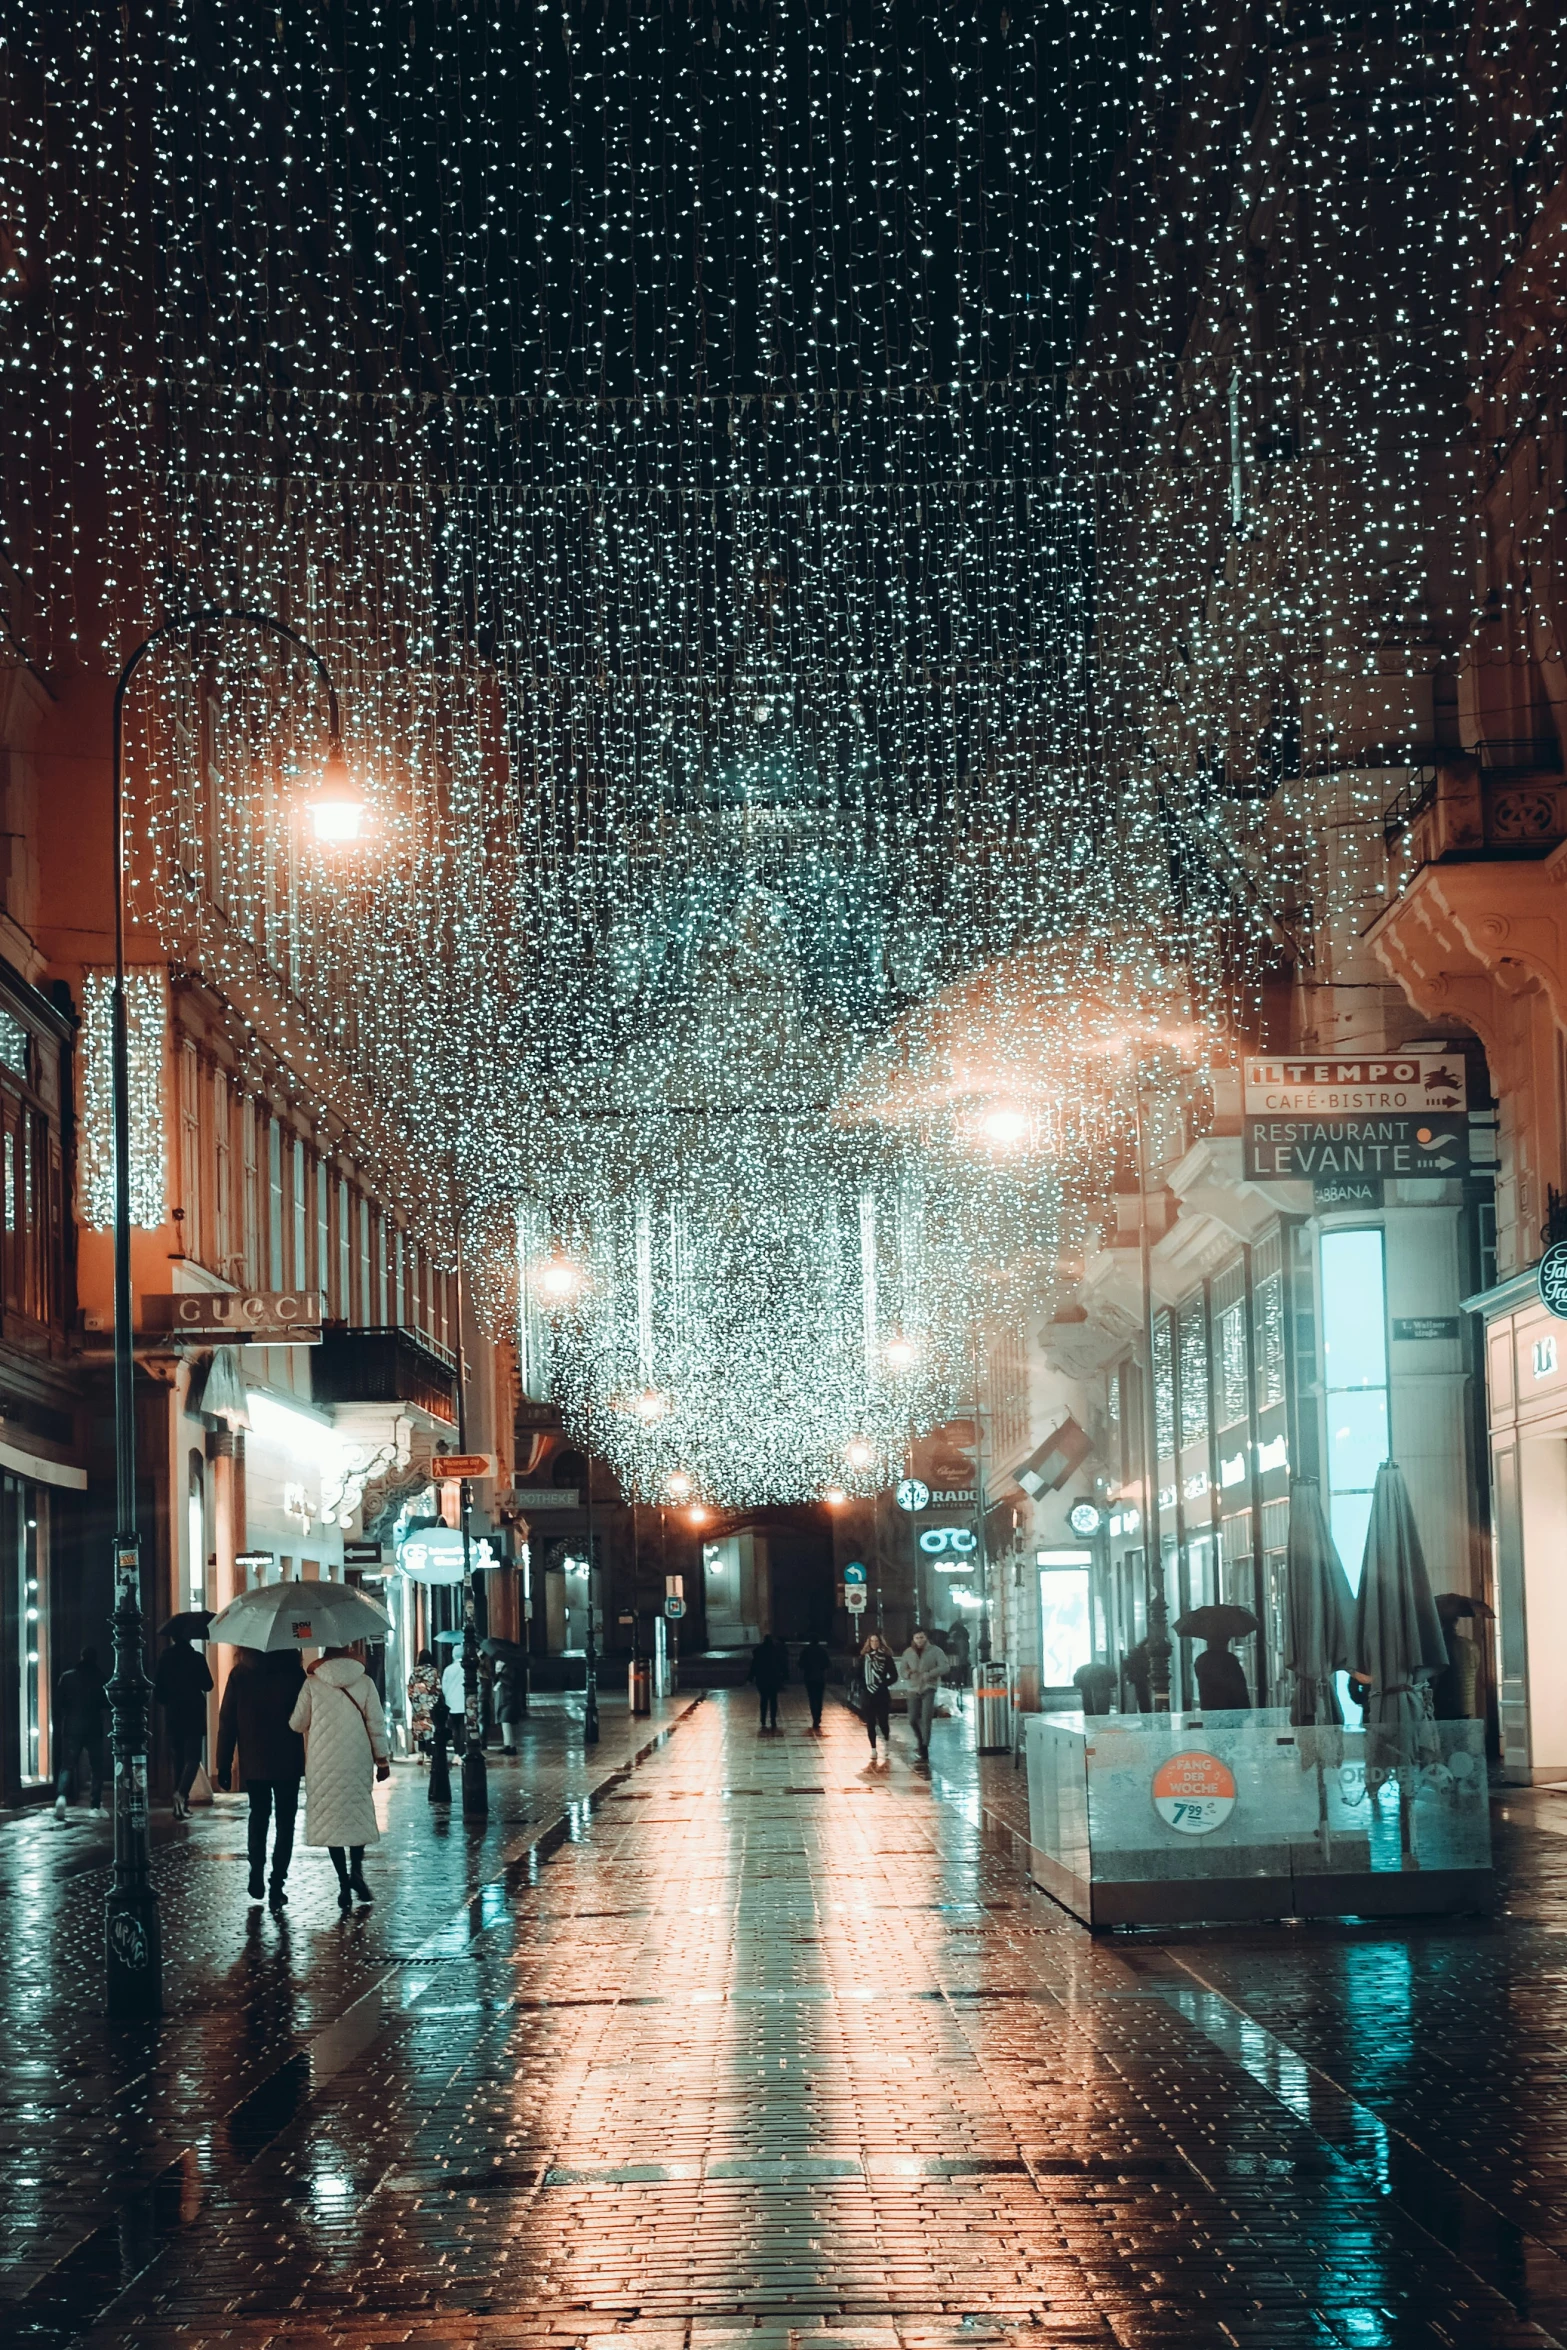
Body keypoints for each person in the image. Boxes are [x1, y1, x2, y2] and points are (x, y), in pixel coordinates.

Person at [288, 1644, 391, 1909]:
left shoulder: (312, 1684)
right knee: (355, 1814)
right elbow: (376, 1723)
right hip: (356, 1758)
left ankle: (343, 1884)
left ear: (324, 1657)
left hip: (322, 1761)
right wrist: (382, 1760)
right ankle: (357, 1870)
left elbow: (296, 1724)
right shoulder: (365, 1682)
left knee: (331, 1821)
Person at [216, 1646, 306, 1911]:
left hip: (254, 1759)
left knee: (258, 1815)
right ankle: (277, 1883)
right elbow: (305, 1715)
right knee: (286, 1822)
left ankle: (256, 1869)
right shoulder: (294, 1673)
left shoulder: (241, 1674)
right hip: (287, 1759)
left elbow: (227, 1721)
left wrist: (223, 1764)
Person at [154, 1629, 213, 1818]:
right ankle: (181, 1794)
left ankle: (180, 1805)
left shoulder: (165, 1658)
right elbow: (208, 1685)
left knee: (178, 1760)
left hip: (173, 1714)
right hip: (194, 1713)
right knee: (193, 1758)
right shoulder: (196, 1658)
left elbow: (159, 1691)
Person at [53, 1646, 108, 1820]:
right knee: (97, 1767)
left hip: (72, 1726)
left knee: (68, 1765)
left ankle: (61, 1797)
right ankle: (95, 1805)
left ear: (81, 1656)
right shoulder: (100, 1677)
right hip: (93, 1726)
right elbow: (106, 1702)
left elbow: (58, 1702)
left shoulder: (67, 1676)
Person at [897, 1628, 950, 1769]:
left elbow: (945, 1667)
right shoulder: (908, 1652)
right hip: (913, 1689)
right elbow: (902, 1670)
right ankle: (920, 1741)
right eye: (917, 1638)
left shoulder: (935, 1651)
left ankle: (925, 1746)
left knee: (926, 1718)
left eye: (921, 1637)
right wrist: (908, 1673)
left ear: (926, 1638)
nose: (919, 1640)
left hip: (928, 1687)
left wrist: (930, 1674)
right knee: (913, 1719)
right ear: (913, 1639)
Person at [854, 1631, 898, 1768]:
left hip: (882, 1694)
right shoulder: (863, 1659)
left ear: (881, 1643)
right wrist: (864, 1686)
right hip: (867, 1695)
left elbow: (894, 1676)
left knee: (883, 1721)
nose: (874, 1644)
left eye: (877, 1641)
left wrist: (883, 1683)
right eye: (872, 1641)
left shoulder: (887, 1658)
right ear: (868, 1643)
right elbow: (857, 1675)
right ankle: (873, 1748)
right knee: (870, 1722)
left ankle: (886, 1741)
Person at [407, 1648, 440, 1760]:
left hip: (417, 1704)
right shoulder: (433, 1672)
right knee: (429, 1727)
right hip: (429, 1704)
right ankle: (429, 1754)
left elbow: (410, 1690)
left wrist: (414, 1701)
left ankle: (421, 1753)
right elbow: (437, 1688)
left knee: (419, 1728)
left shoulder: (414, 1673)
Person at [749, 1633, 787, 1731]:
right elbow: (782, 1664)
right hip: (774, 1678)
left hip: (762, 1678)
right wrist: (784, 1676)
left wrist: (750, 1677)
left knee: (763, 1700)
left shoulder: (758, 1651)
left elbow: (754, 1665)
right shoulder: (776, 1651)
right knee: (773, 1700)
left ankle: (763, 1719)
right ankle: (773, 1719)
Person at [494, 1650, 526, 1752]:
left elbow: (510, 1681)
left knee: (506, 1721)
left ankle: (511, 1746)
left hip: (509, 1698)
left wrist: (499, 1674)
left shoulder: (511, 1668)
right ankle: (507, 1744)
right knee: (504, 1722)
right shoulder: (506, 1668)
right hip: (504, 1698)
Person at [798, 1637, 830, 1732]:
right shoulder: (822, 1651)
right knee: (819, 1698)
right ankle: (818, 1716)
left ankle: (814, 1716)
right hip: (820, 1677)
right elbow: (827, 1664)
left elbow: (800, 1664)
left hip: (809, 1677)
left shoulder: (806, 1651)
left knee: (812, 1698)